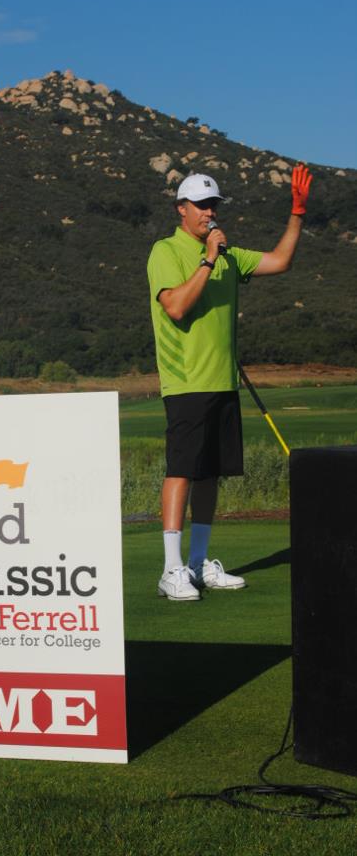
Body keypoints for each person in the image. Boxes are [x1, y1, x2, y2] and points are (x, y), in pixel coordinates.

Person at [147, 165, 312, 600]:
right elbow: (176, 307)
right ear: (181, 209)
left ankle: (198, 564)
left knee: (210, 475)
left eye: (213, 205)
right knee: (182, 470)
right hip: (186, 382)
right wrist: (208, 260)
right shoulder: (166, 251)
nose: (209, 213)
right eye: (201, 205)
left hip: (223, 383)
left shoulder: (230, 255)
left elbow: (280, 261)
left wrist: (296, 214)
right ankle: (171, 569)